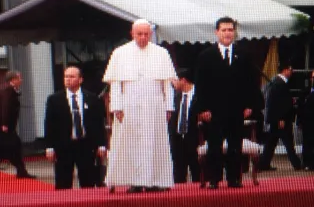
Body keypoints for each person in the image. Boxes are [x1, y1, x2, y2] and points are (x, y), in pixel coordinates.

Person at [102, 19, 177, 193]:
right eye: (139, 34)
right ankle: (134, 181)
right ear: (132, 33)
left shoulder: (161, 53)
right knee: (131, 143)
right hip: (129, 104)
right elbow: (115, 83)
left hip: (155, 104)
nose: (143, 38)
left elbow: (167, 83)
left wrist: (169, 107)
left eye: (146, 34)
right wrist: (117, 107)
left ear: (151, 34)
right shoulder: (120, 53)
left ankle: (156, 181)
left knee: (156, 142)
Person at [194, 17, 256, 189]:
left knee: (235, 146)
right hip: (213, 111)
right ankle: (214, 179)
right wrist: (203, 108)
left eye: (230, 30)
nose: (228, 33)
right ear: (217, 32)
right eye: (224, 30)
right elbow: (200, 84)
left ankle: (234, 179)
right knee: (214, 145)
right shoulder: (206, 56)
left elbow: (251, 82)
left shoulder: (244, 55)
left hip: (237, 110)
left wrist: (249, 105)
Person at [44, 66, 108, 189]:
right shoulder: (54, 99)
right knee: (63, 181)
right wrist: (49, 146)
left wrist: (101, 144)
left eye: (72, 77)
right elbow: (49, 124)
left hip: (85, 145)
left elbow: (98, 123)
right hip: (63, 146)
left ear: (80, 79)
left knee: (88, 180)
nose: (68, 79)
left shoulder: (92, 98)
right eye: (66, 76)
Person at [0, 71, 35, 180]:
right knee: (11, 147)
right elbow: (6, 107)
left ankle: (20, 170)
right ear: (13, 79)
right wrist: (5, 123)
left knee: (10, 148)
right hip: (5, 126)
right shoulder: (8, 91)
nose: (21, 80)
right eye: (19, 78)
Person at [259, 60, 302, 171]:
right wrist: (280, 118)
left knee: (271, 142)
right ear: (285, 70)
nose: (291, 72)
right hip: (280, 119)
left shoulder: (276, 82)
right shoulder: (278, 83)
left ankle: (264, 164)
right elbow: (275, 102)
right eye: (290, 69)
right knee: (288, 142)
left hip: (276, 119)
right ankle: (297, 164)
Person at [168, 68, 201, 184]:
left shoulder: (199, 95)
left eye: (175, 81)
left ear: (183, 80)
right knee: (179, 173)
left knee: (197, 170)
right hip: (178, 140)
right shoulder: (175, 97)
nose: (173, 84)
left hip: (194, 138)